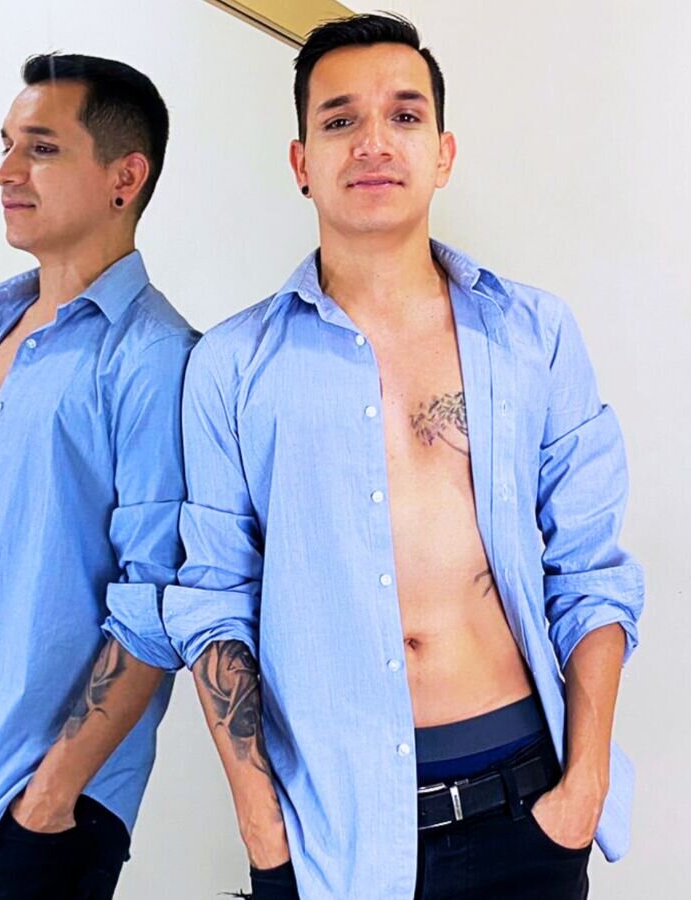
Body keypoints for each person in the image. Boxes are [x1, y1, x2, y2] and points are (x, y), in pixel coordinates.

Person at [164, 14, 644, 899]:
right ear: (302, 161)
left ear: (444, 152)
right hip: (330, 844)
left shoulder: (532, 334)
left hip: (527, 810)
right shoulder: (231, 366)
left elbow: (590, 569)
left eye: (405, 115)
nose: (373, 142)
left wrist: (585, 787)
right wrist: (262, 831)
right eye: (340, 119)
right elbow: (214, 598)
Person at [0, 52, 196, 899]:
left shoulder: (155, 357)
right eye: (5, 145)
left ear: (124, 178)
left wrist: (55, 790)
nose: (5, 171)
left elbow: (155, 598)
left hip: (49, 797)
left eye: (39, 149)